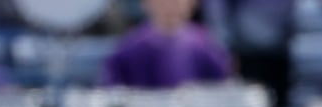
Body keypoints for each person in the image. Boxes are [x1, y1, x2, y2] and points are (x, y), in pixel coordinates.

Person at [100, 0, 234, 90]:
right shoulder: (129, 49)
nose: (169, 6)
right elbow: (111, 91)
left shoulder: (206, 46)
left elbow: (222, 87)